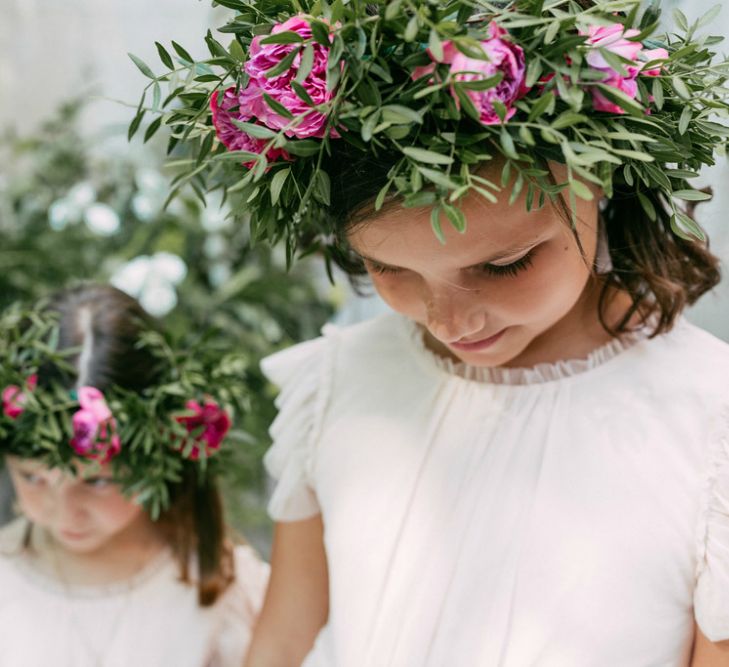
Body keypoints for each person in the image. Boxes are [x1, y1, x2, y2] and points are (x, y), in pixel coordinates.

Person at [141, 1, 729, 665]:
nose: (452, 320)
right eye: (389, 267)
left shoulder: (709, 417)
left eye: (503, 264)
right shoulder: (339, 382)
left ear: (601, 181)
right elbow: (282, 638)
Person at [0, 285, 269, 667]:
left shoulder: (220, 586)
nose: (65, 511)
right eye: (32, 477)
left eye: (95, 482)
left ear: (159, 455)